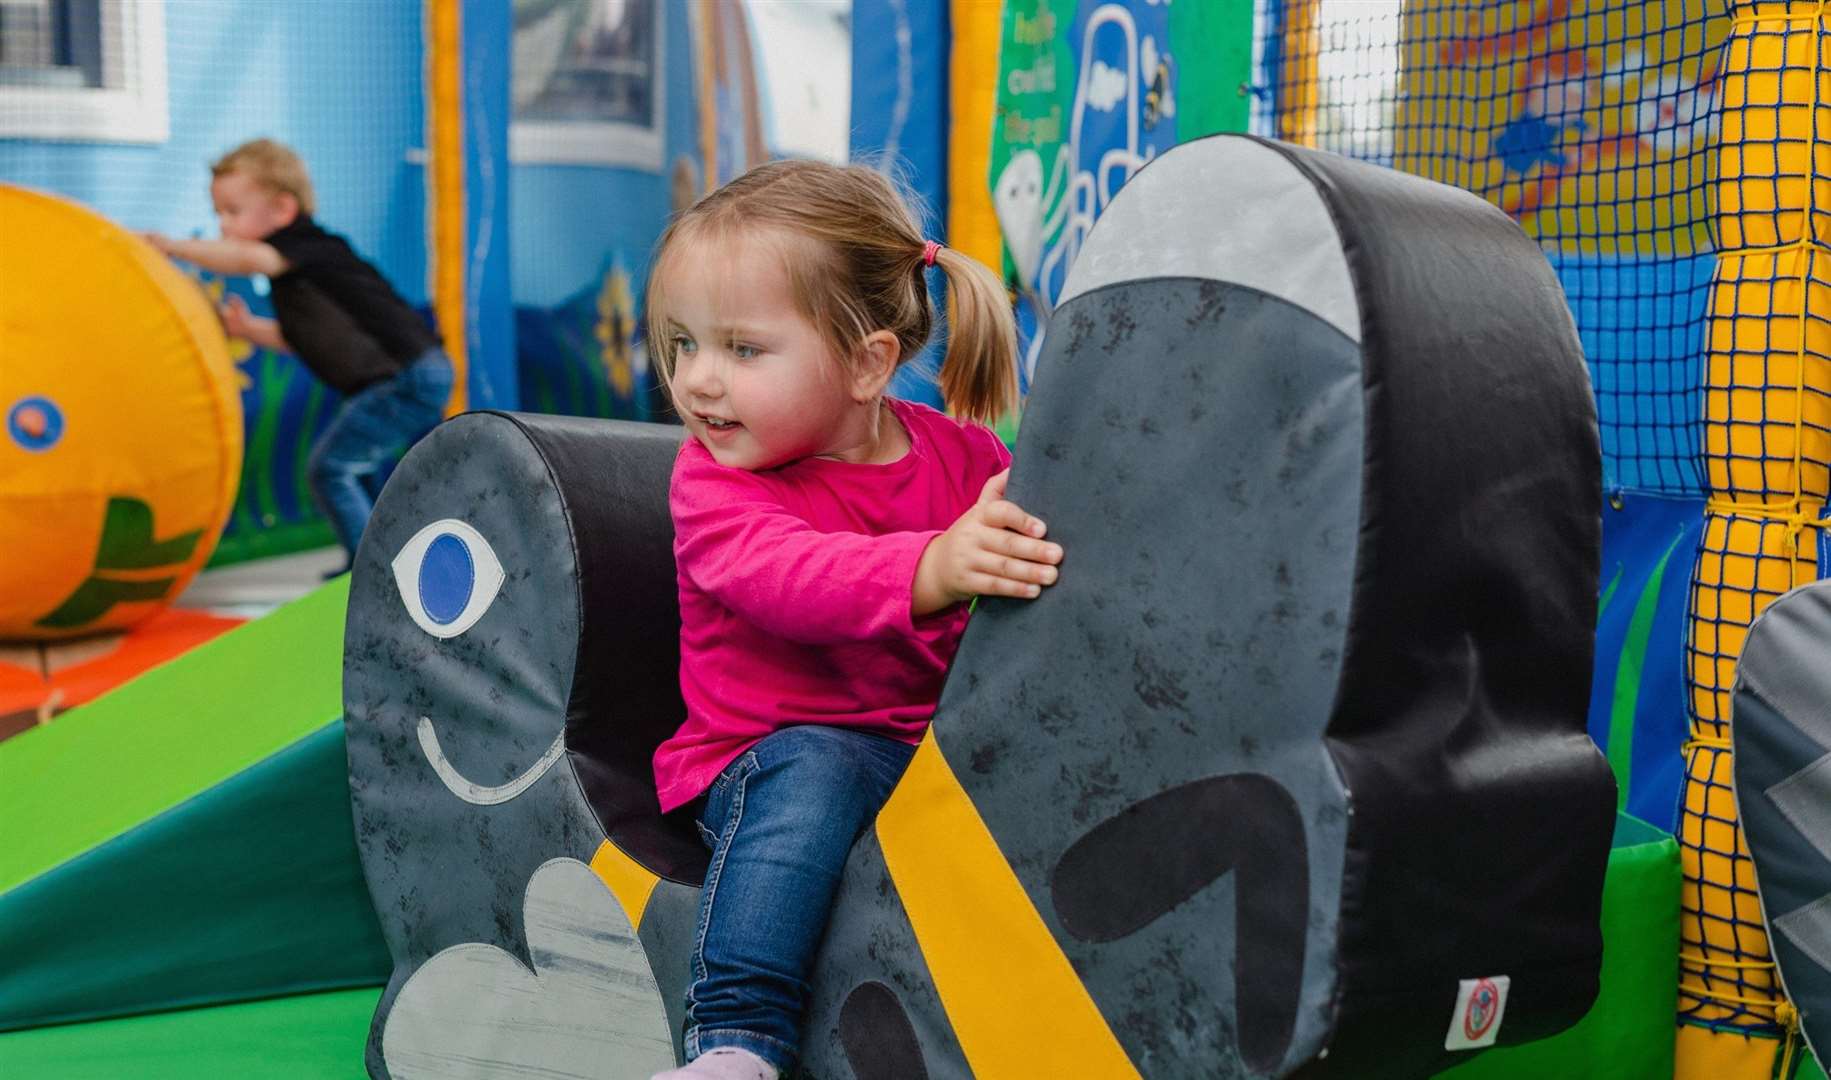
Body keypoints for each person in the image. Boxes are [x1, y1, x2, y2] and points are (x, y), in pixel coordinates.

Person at [647, 159, 1064, 1080]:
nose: (699, 382)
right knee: (818, 769)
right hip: (764, 756)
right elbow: (789, 578)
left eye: (742, 350)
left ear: (868, 361)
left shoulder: (967, 457)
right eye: (684, 345)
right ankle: (735, 1042)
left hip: (931, 756)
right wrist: (934, 564)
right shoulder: (712, 482)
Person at [143, 138, 453, 573]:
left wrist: (173, 247)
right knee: (361, 470)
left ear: (283, 211)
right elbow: (304, 339)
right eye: (218, 214)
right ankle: (380, 563)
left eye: (233, 212)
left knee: (331, 469)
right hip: (413, 374)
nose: (223, 226)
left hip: (405, 376)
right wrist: (249, 330)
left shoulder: (304, 246)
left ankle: (367, 574)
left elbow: (246, 258)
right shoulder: (301, 271)